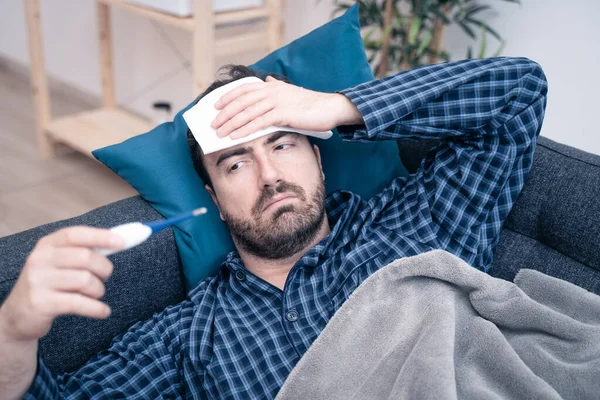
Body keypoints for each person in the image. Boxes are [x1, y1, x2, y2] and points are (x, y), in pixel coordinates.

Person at [0, 56, 548, 399]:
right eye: (235, 163)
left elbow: (518, 92)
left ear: (317, 152)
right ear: (213, 198)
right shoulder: (190, 338)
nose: (269, 176)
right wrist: (14, 334)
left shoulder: (417, 220)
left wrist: (336, 107)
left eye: (283, 143)